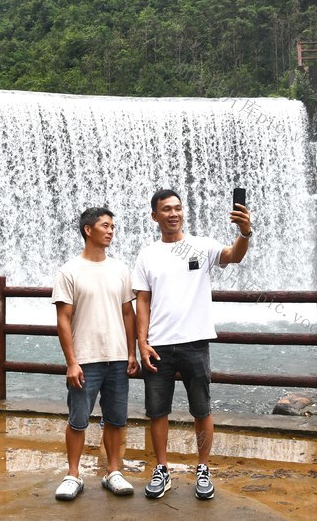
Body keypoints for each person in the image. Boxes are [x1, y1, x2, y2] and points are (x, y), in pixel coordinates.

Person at [133, 189, 252, 501]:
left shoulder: (201, 245)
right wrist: (141, 342)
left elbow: (233, 256)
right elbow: (142, 302)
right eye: (166, 209)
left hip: (195, 342)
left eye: (177, 208)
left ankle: (203, 467)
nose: (173, 214)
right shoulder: (147, 254)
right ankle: (162, 468)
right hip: (158, 344)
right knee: (157, 412)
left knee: (202, 409)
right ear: (154, 216)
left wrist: (244, 232)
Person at [52, 207, 139, 501]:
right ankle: (73, 474)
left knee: (116, 419)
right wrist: (71, 362)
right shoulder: (69, 270)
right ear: (88, 230)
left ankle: (113, 472)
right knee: (78, 419)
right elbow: (63, 318)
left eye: (113, 226)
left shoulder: (120, 270)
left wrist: (132, 353)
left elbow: (129, 313)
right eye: (105, 225)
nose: (111, 230)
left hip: (116, 356)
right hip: (85, 359)